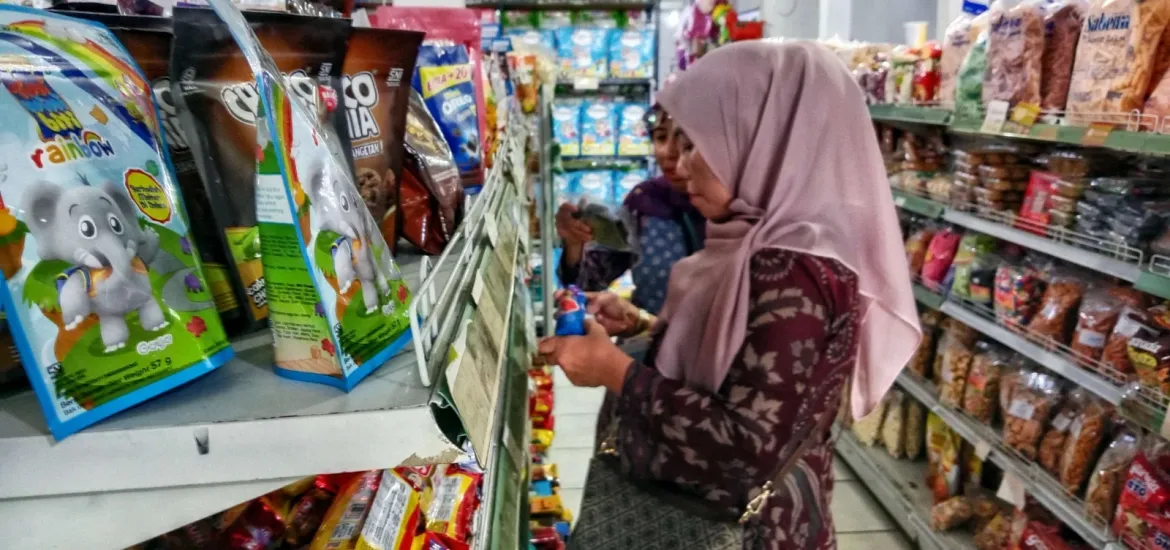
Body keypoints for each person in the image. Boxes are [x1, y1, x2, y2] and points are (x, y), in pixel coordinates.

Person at [538, 41, 920, 550]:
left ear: (765, 141)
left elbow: (745, 446)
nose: (680, 163)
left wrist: (616, 372)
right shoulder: (746, 239)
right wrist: (643, 327)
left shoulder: (795, 271)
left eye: (699, 144)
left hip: (737, 531)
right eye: (674, 141)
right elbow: (742, 365)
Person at [556, 105, 704, 314]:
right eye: (660, 137)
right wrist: (574, 242)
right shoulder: (646, 201)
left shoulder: (740, 206)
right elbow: (587, 283)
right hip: (651, 333)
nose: (667, 152)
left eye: (685, 141)